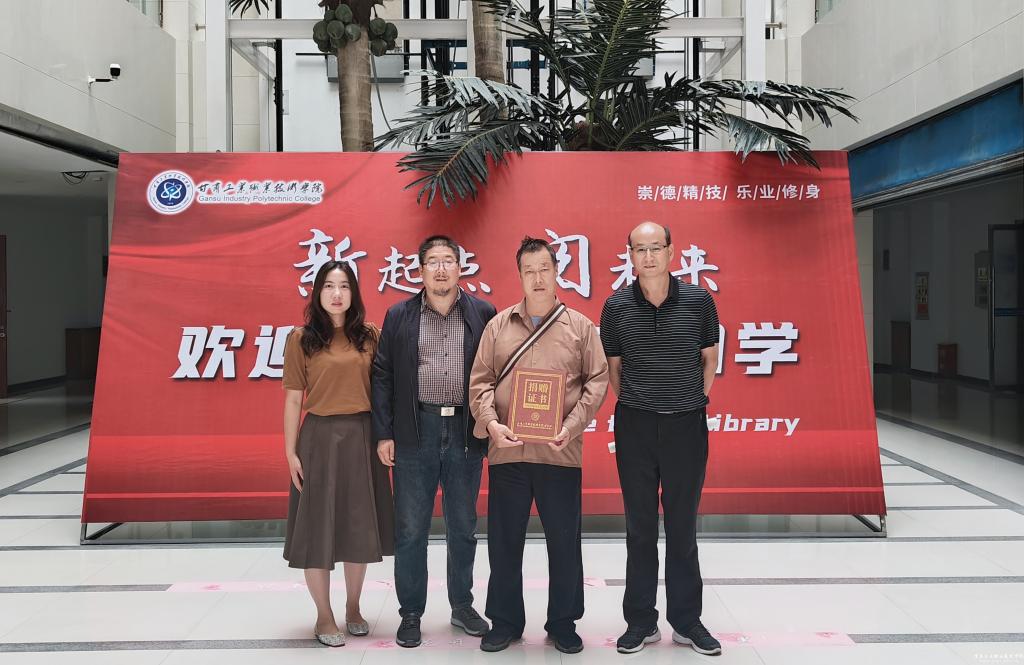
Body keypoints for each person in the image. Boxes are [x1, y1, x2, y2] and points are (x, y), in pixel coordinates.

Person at [469, 236, 609, 654]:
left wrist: (572, 425)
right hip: (507, 452)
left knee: (563, 542)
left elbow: (597, 381)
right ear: (519, 276)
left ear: (556, 271)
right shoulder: (499, 326)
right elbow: (480, 383)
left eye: (544, 269)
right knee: (504, 542)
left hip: (560, 452)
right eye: (528, 271)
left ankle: (563, 622)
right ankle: (505, 621)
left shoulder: (579, 327)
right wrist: (492, 425)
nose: (537, 278)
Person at [599, 222, 722, 656]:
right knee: (640, 528)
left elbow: (709, 359)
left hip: (686, 426)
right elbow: (615, 369)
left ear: (672, 251)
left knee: (683, 527)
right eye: (640, 249)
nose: (648, 256)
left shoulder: (698, 301)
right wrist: (642, 403)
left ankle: (687, 621)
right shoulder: (616, 306)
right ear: (630, 254)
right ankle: (641, 621)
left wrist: (688, 401)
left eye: (656, 248)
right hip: (635, 426)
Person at [371, 235, 497, 648]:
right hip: (415, 431)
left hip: (465, 432)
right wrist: (384, 433)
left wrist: (490, 426)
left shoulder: (482, 313)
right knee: (411, 530)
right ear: (421, 270)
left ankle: (462, 605)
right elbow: (383, 376)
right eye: (433, 262)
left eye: (448, 261)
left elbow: (496, 374)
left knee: (463, 527)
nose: (441, 269)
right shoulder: (399, 315)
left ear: (460, 268)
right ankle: (411, 612)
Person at [282, 260, 396, 647]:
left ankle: (353, 607)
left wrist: (385, 435)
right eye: (329, 286)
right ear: (317, 293)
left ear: (354, 293)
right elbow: (293, 399)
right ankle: (323, 615)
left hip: (363, 437)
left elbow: (384, 391)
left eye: (344, 286)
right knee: (318, 529)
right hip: (318, 439)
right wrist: (290, 453)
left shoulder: (370, 335)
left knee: (358, 526)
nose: (336, 294)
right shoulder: (301, 339)